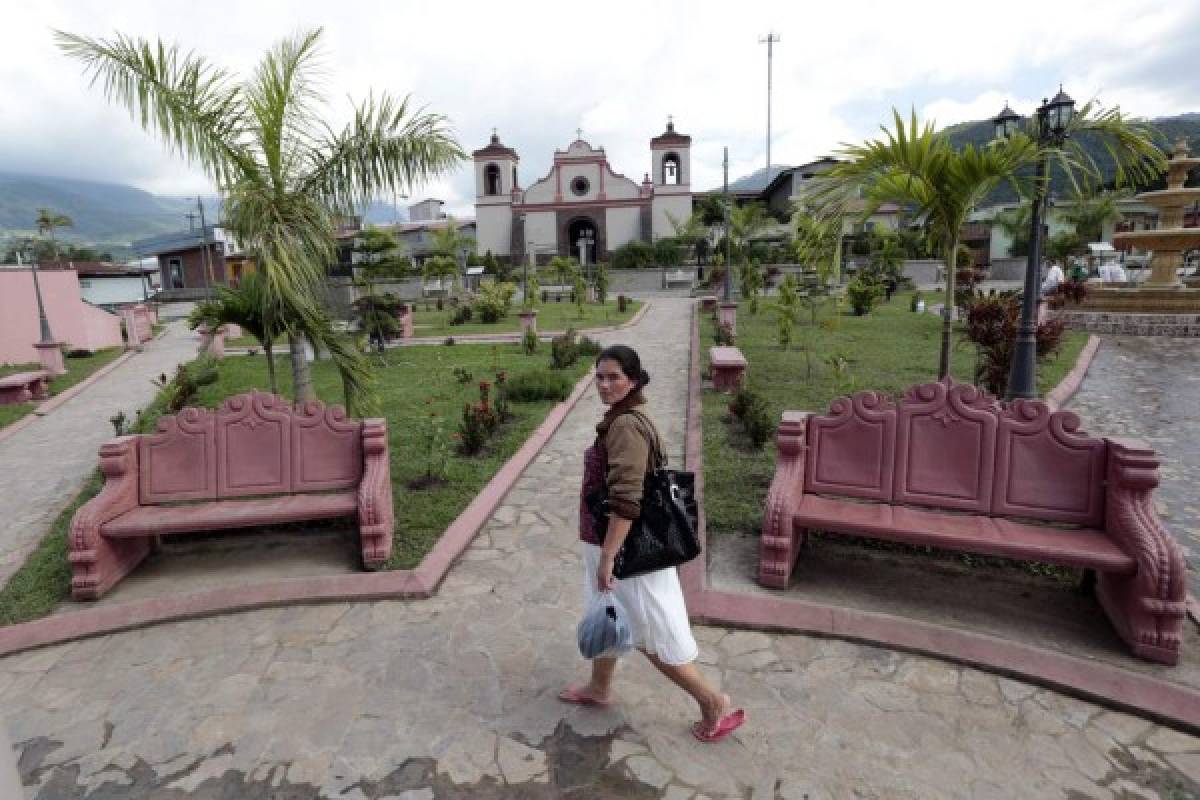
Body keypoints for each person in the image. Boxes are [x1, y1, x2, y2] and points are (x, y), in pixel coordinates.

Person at [559, 344, 745, 743]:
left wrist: (609, 557)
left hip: (625, 550)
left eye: (615, 377)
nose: (605, 384)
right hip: (611, 543)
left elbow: (627, 499)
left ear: (634, 379)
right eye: (600, 376)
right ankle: (599, 687)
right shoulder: (627, 415)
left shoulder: (626, 425)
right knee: (607, 612)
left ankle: (711, 701)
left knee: (648, 632)